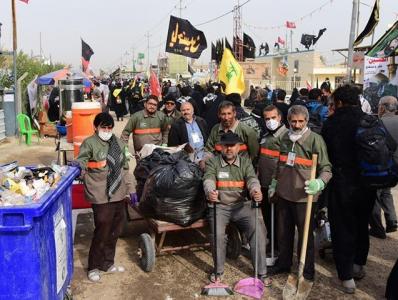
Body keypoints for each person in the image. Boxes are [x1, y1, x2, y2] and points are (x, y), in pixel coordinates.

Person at [268, 105, 332, 291]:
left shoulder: (315, 140)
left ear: (306, 121)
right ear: (288, 121)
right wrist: (274, 183)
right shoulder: (285, 139)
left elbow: (326, 168)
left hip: (305, 198)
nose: (296, 125)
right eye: (293, 121)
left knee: (305, 237)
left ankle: (307, 270)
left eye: (300, 121)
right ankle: (284, 263)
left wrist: (319, 183)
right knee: (283, 233)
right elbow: (280, 163)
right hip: (284, 195)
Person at [321, 84, 377, 294]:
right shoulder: (370, 120)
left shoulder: (332, 124)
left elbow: (326, 155)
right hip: (368, 183)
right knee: (362, 223)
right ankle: (359, 264)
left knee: (342, 227)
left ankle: (346, 276)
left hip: (342, 183)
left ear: (340, 102)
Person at [203, 131, 271, 285]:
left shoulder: (245, 163)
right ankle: (218, 271)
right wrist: (210, 192)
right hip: (219, 205)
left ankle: (261, 273)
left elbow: (252, 179)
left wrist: (256, 190)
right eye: (226, 146)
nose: (229, 149)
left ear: (239, 147)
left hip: (242, 205)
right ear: (220, 147)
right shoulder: (213, 162)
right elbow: (208, 180)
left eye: (232, 146)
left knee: (258, 229)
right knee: (218, 235)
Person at [74, 112, 133, 282]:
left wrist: (132, 188)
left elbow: (125, 168)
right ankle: (94, 266)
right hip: (99, 194)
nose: (107, 130)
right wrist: (79, 167)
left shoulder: (118, 143)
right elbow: (82, 161)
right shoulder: (90, 143)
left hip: (118, 193)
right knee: (102, 230)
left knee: (115, 230)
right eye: (103, 127)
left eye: (109, 127)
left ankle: (108, 263)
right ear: (96, 127)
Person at [257, 105, 288, 254]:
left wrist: (278, 183)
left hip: (277, 185)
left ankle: (280, 247)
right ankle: (272, 242)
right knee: (268, 216)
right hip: (264, 182)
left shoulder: (286, 137)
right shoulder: (265, 136)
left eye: (273, 118)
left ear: (280, 118)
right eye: (267, 118)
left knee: (279, 220)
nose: (270, 121)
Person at [369, 96, 398, 238]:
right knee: (386, 192)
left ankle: (377, 228)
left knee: (376, 194)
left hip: (384, 166)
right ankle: (392, 220)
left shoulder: (377, 124)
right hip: (395, 166)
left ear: (382, 107)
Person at [203, 101, 259, 166]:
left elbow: (254, 153)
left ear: (234, 113)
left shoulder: (246, 131)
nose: (226, 118)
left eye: (229, 113)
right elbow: (209, 150)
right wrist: (205, 161)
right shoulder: (215, 129)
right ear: (219, 115)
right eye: (223, 114)